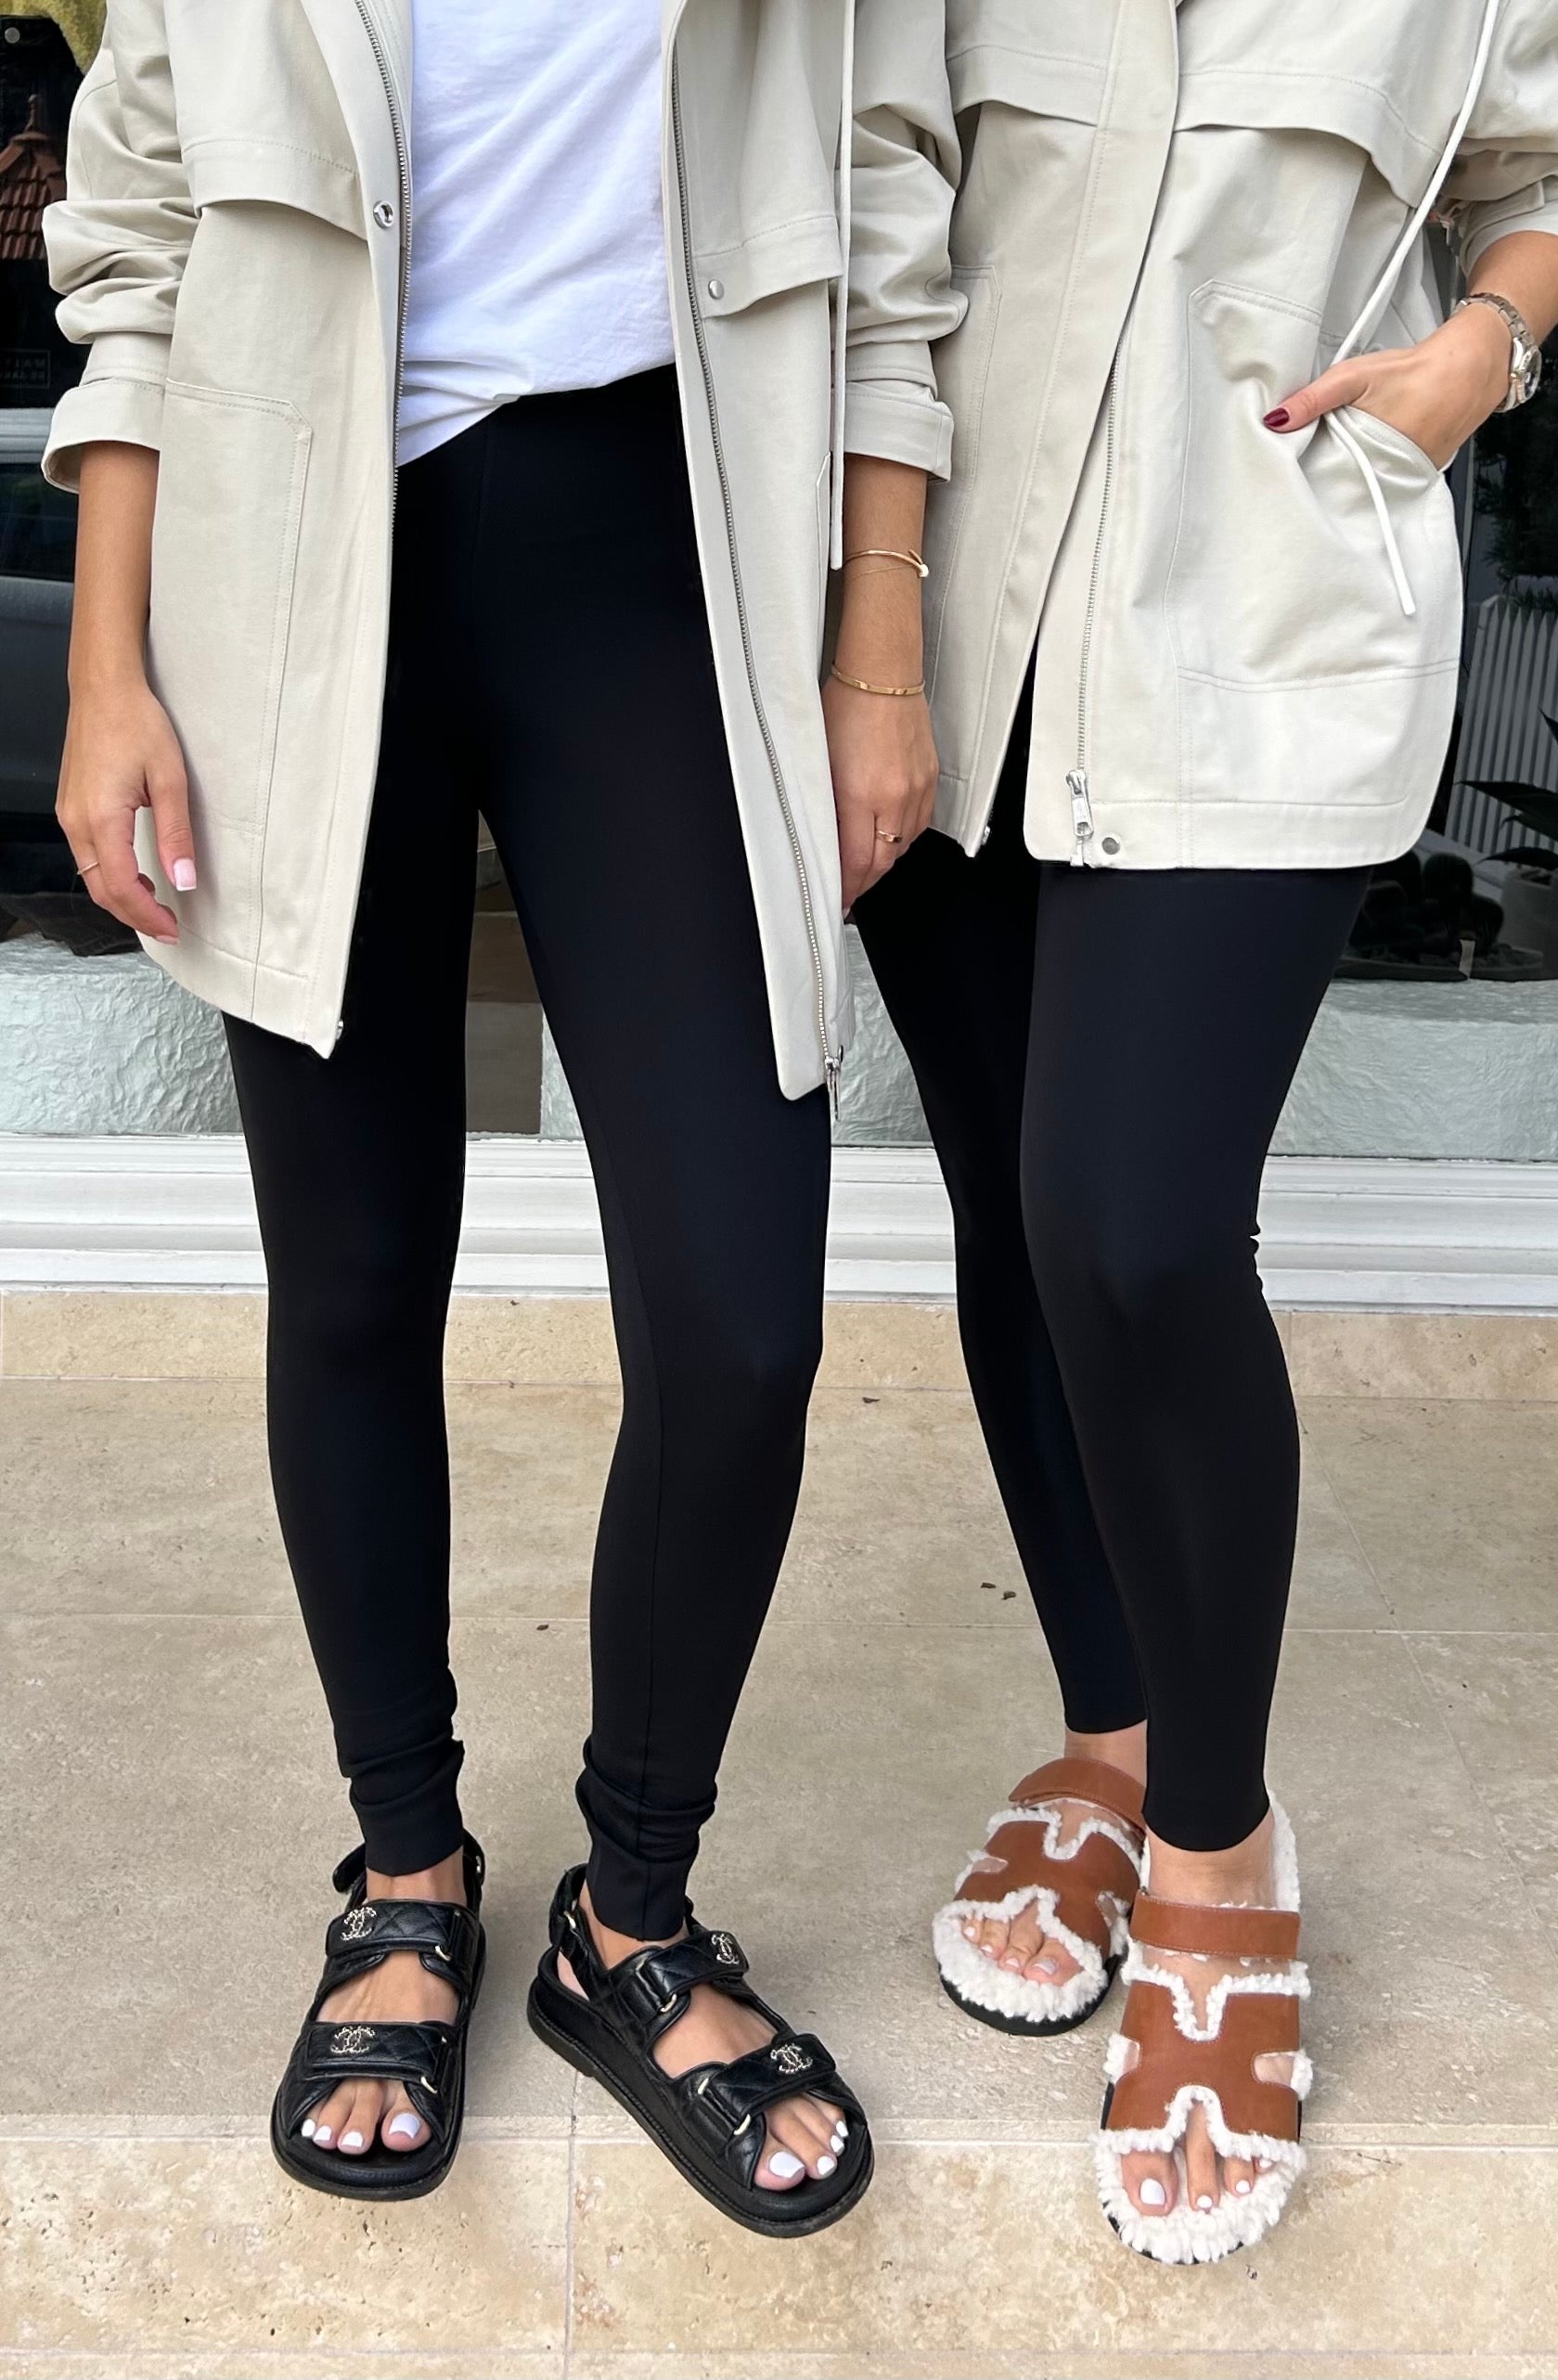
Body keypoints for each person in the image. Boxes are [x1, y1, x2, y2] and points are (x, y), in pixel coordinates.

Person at [42, 0, 944, 2234]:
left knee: (740, 1315)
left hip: (663, 549)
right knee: (356, 1276)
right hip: (289, 568)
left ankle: (630, 1909)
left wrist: (877, 650)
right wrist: (107, 665)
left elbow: (890, 210)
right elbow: (144, 236)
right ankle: (406, 1869)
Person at [829, 0, 1558, 2263]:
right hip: (946, 623)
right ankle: (1110, 1731)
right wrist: (872, 642)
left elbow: (1551, 174)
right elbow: (879, 207)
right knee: (1016, 1209)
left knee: (1136, 1224)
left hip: (1265, 622)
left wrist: (1478, 357)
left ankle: (1218, 1842)